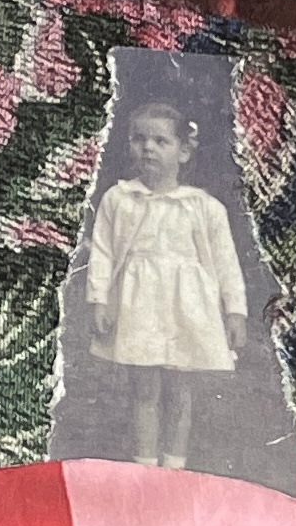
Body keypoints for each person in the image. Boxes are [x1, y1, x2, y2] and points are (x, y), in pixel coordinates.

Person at [82, 99, 253, 468]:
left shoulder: (203, 207)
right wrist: (99, 300)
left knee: (180, 391)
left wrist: (235, 311)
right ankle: (145, 467)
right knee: (144, 389)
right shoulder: (119, 199)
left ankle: (174, 467)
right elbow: (103, 253)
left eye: (161, 141)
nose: (148, 148)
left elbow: (226, 263)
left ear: (184, 151)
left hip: (185, 312)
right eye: (139, 139)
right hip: (139, 309)